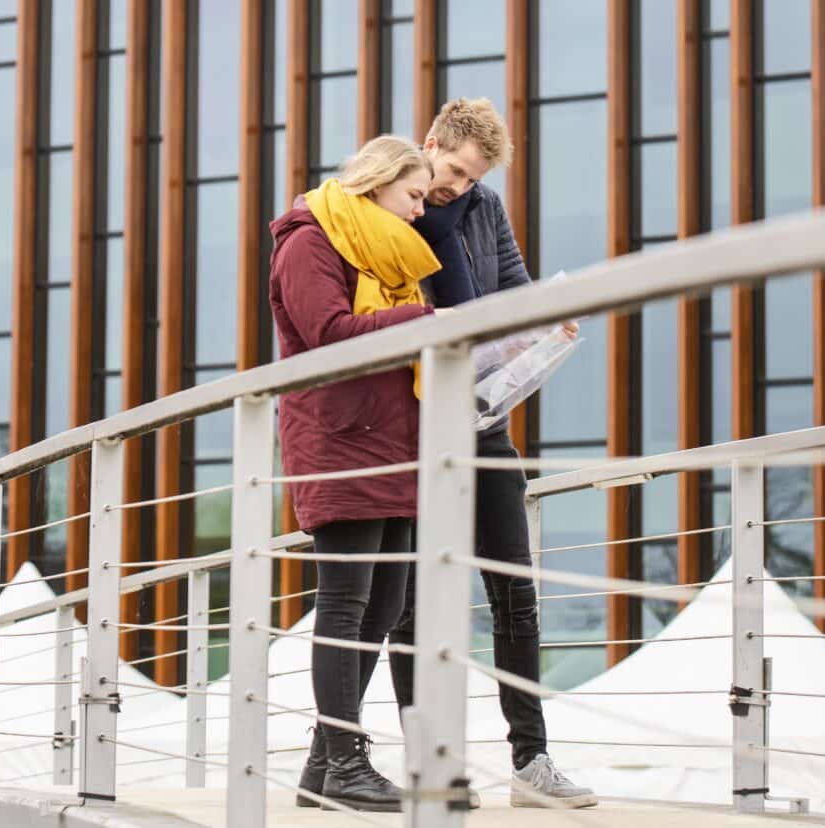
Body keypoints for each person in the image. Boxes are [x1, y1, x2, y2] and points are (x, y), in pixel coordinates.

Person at [387, 97, 598, 810]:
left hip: (481, 423)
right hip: (409, 429)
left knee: (516, 591)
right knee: (411, 605)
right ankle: (431, 765)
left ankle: (531, 763)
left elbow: (512, 294)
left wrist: (546, 318)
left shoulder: (484, 208)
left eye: (468, 180)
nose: (453, 189)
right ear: (432, 144)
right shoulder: (393, 203)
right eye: (450, 172)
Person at [269, 135, 443, 813]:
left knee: (388, 604)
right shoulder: (309, 241)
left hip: (394, 441)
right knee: (345, 602)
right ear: (378, 183)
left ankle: (323, 766)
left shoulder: (385, 256)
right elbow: (329, 333)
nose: (421, 212)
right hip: (341, 438)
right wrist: (429, 319)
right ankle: (344, 760)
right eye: (414, 195)